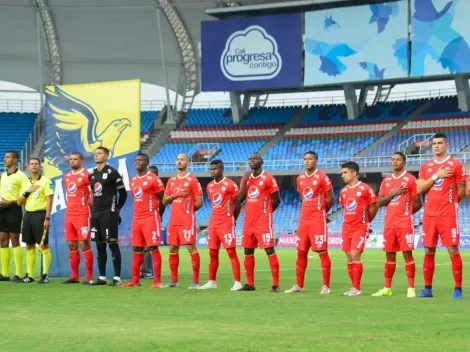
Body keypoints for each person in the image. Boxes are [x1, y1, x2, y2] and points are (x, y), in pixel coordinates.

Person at [416, 133, 466, 299]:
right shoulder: (426, 166)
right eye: (434, 143)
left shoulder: (456, 165)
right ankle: (427, 289)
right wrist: (437, 175)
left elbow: (462, 188)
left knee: (452, 249)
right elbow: (420, 188)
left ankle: (458, 289)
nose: (436, 146)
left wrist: (452, 202)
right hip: (430, 214)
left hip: (447, 214)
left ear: (446, 145)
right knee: (428, 250)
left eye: (439, 143)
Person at [372, 152, 422, 298]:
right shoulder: (386, 181)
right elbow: (379, 202)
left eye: (398, 160)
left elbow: (418, 202)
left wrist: (406, 214)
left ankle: (411, 288)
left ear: (404, 162)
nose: (394, 162)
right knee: (389, 255)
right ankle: (387, 288)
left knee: (407, 253)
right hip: (389, 223)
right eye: (392, 159)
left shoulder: (411, 180)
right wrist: (393, 193)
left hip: (404, 223)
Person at [285, 151, 334, 294]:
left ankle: (326, 286)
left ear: (316, 161)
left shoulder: (322, 177)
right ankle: (299, 285)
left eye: (310, 159)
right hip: (304, 220)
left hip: (317, 219)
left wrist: (322, 212)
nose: (307, 161)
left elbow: (330, 198)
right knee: (301, 252)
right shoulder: (300, 178)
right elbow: (303, 196)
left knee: (322, 251)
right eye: (305, 159)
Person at [237, 153, 281, 292]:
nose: (252, 161)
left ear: (262, 161)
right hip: (248, 222)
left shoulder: (268, 178)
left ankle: (275, 284)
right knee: (248, 251)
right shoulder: (247, 178)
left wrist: (266, 212)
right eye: (250, 159)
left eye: (255, 158)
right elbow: (240, 198)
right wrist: (244, 180)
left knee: (269, 249)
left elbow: (277, 199)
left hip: (262, 222)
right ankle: (250, 284)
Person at [123, 153, 165, 288]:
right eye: (136, 160)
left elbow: (162, 200)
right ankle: (135, 280)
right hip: (137, 218)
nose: (137, 162)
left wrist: (158, 215)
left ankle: (157, 281)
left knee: (153, 247)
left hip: (150, 217)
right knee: (136, 248)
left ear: (146, 163)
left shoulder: (154, 179)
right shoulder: (133, 180)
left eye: (140, 160)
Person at [199, 159, 242, 291]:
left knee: (231, 252)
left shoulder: (230, 185)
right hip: (213, 224)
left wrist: (233, 218)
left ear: (222, 169)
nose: (212, 171)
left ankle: (237, 282)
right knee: (212, 252)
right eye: (211, 169)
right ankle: (212, 281)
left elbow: (237, 203)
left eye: (215, 169)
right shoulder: (210, 186)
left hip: (226, 223)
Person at [162, 154, 203, 289]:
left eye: (182, 159)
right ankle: (174, 280)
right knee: (173, 248)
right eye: (177, 159)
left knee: (191, 247)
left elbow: (199, 202)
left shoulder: (192, 180)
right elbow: (164, 200)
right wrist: (176, 195)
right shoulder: (171, 181)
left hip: (186, 221)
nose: (179, 162)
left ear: (188, 162)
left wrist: (188, 211)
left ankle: (195, 281)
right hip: (173, 220)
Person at [88, 147, 128, 286]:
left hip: (108, 213)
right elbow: (93, 192)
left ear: (106, 156)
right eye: (95, 154)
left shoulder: (113, 173)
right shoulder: (92, 174)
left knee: (112, 244)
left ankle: (117, 277)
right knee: (99, 245)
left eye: (99, 154)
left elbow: (123, 194)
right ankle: (102, 277)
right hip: (96, 213)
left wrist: (117, 209)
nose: (96, 155)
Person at [339, 161, 378, 296]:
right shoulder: (343, 192)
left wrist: (366, 221)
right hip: (346, 227)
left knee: (355, 254)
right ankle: (353, 287)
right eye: (342, 173)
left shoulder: (365, 189)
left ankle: (357, 288)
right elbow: (345, 208)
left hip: (360, 227)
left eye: (345, 172)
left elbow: (374, 206)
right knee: (349, 256)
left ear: (354, 173)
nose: (342, 175)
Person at [16, 158, 54, 283]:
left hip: (40, 215)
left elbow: (49, 200)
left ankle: (45, 275)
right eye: (31, 164)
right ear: (28, 166)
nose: (33, 166)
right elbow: (19, 201)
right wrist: (28, 191)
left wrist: (47, 217)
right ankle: (30, 276)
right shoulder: (25, 183)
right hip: (28, 215)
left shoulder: (46, 181)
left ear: (40, 166)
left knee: (43, 245)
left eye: (36, 164)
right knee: (29, 245)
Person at [62, 152, 94, 284]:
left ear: (82, 161)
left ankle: (89, 277)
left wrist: (91, 201)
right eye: (71, 159)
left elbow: (93, 190)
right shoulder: (67, 176)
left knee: (84, 243)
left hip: (82, 213)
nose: (72, 161)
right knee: (71, 244)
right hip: (70, 214)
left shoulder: (87, 174)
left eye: (75, 159)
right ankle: (74, 276)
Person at [0, 150, 29, 282]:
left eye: (8, 157)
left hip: (13, 210)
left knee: (15, 239)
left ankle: (18, 274)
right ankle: (4, 274)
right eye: (5, 157)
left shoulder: (22, 176)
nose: (5, 159)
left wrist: (10, 202)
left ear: (15, 160)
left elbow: (25, 194)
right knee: (3, 240)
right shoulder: (3, 175)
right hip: (2, 210)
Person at [139, 165, 164, 279]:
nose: (150, 176)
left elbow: (162, 203)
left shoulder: (159, 189)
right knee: (141, 247)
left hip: (154, 219)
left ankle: (148, 272)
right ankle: (144, 271)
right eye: (149, 173)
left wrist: (159, 215)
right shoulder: (144, 188)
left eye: (153, 173)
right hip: (142, 219)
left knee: (151, 246)